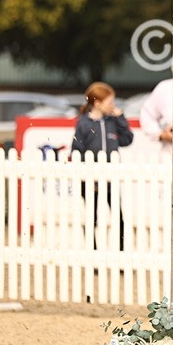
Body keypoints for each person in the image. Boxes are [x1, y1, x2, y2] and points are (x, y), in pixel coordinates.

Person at [71, 82, 133, 250]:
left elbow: (127, 139)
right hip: (91, 182)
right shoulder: (83, 124)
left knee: (118, 218)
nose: (112, 106)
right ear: (97, 103)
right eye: (110, 102)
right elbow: (77, 150)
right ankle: (93, 251)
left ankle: (121, 252)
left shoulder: (111, 121)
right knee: (93, 217)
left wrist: (120, 118)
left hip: (110, 179)